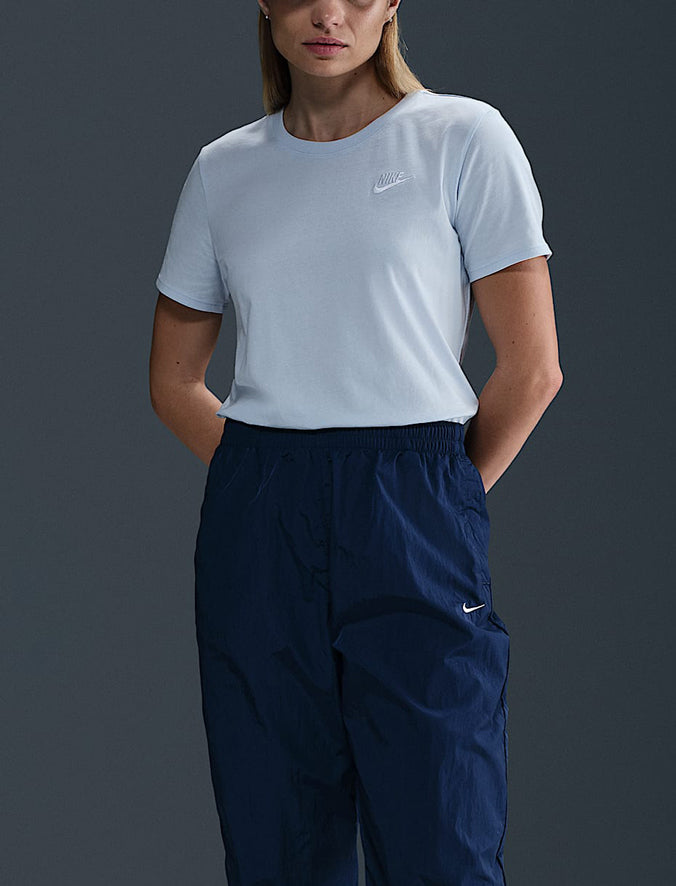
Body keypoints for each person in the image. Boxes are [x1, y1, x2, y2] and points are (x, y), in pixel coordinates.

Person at [149, 2, 563, 884]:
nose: (328, 14)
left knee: (441, 836)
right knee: (276, 841)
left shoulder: (462, 138)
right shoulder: (224, 170)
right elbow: (174, 381)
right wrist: (264, 483)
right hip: (261, 513)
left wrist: (441, 498)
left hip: (414, 498)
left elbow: (533, 370)